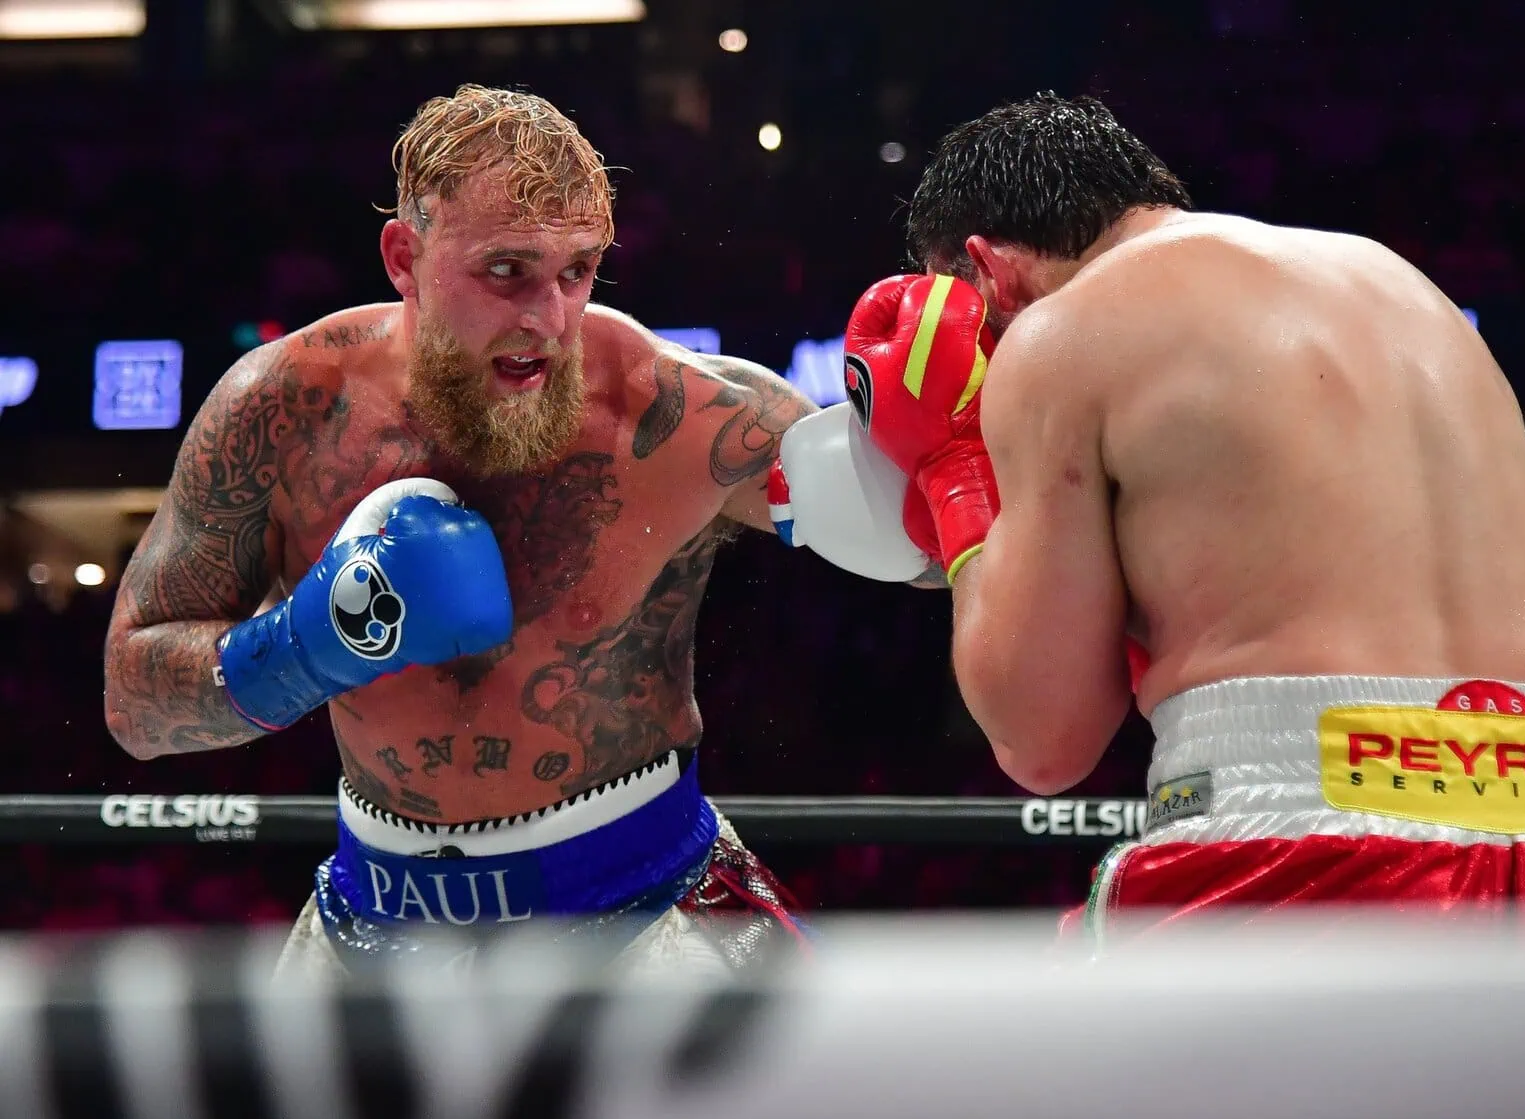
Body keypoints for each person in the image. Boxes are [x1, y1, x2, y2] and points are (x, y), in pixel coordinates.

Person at [101, 84, 917, 976]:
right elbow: (134, 704)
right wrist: (307, 645)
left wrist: (951, 452)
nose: (549, 318)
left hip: (644, 909)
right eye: (506, 271)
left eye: (577, 271)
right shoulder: (285, 412)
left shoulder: (683, 415)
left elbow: (922, 557)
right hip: (372, 920)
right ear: (404, 257)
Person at [841, 93, 1525, 939]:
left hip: (1312, 851)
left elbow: (1042, 740)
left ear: (985, 272)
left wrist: (954, 467)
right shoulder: (1398, 283)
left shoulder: (1057, 334)